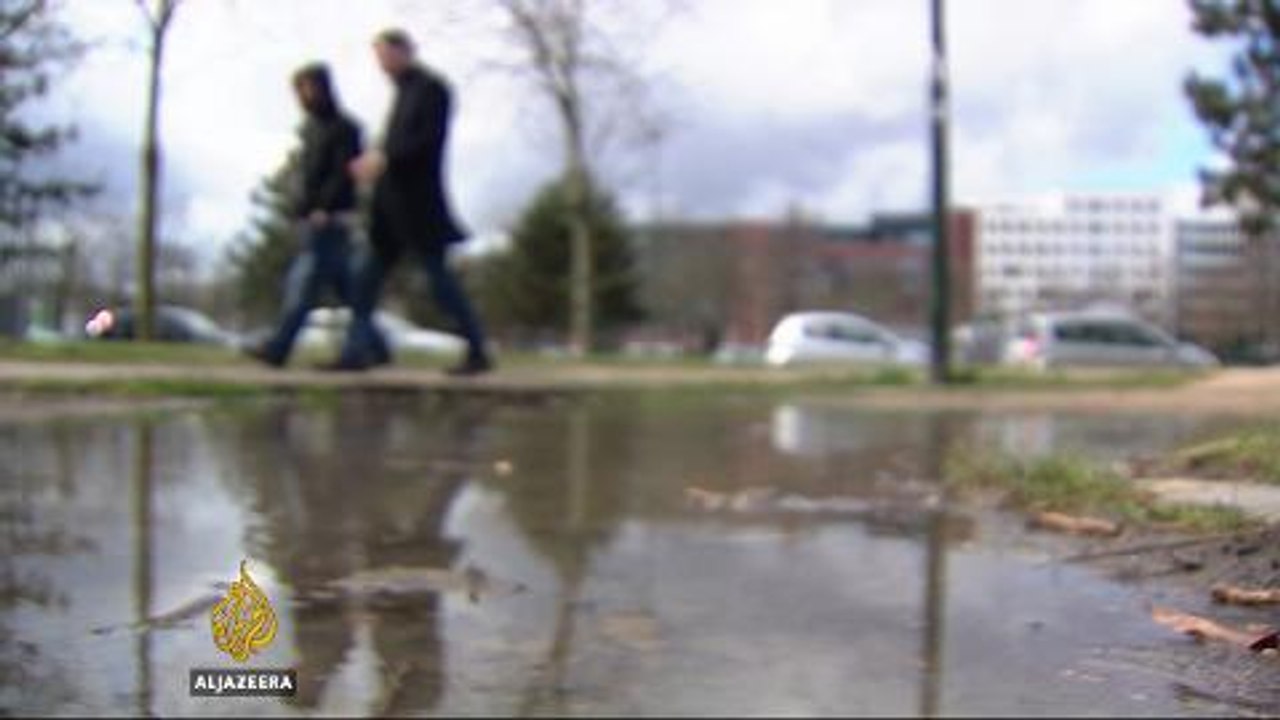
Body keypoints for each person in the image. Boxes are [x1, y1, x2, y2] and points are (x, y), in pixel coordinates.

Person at [330, 28, 493, 376]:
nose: (382, 65)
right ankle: (358, 351)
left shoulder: (431, 89)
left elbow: (426, 141)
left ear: (404, 52)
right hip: (387, 208)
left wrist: (383, 158)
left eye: (386, 57)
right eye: (378, 59)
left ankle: (477, 349)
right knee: (363, 282)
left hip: (418, 205)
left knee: (440, 282)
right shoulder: (401, 92)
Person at [245, 63, 389, 369]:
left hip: (330, 218)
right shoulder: (311, 130)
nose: (302, 97)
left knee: (303, 283)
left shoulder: (345, 129)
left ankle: (279, 347)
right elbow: (309, 174)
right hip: (313, 217)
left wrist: (325, 207)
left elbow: (342, 173)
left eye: (306, 89)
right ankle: (377, 347)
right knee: (349, 289)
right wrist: (300, 207)